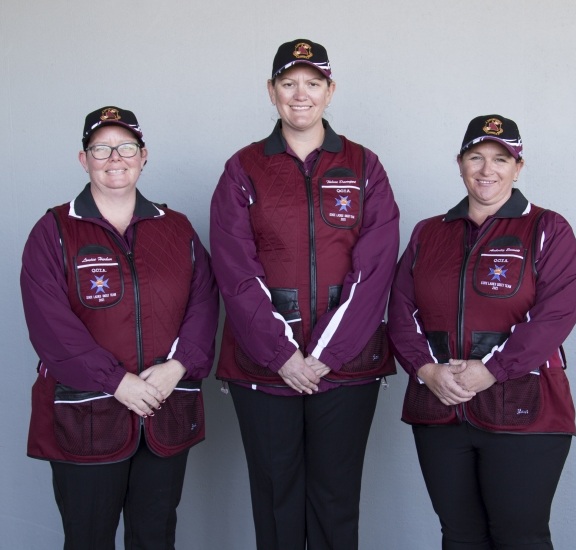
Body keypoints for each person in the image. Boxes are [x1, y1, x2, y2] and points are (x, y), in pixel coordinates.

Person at [210, 39, 400, 550]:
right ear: (271, 92)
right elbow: (236, 270)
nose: (301, 94)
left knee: (336, 501)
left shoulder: (363, 166)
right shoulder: (244, 168)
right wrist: (282, 355)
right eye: (289, 83)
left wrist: (324, 357)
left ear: (330, 90)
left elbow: (375, 270)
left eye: (313, 83)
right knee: (276, 500)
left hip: (346, 367)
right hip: (264, 368)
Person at [21, 106, 219, 550]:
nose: (115, 158)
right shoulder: (52, 231)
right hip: (86, 416)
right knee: (88, 539)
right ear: (83, 158)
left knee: (155, 537)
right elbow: (51, 327)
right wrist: (116, 382)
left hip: (164, 411)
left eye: (126, 147)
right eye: (102, 148)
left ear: (143, 156)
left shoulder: (178, 228)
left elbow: (204, 303)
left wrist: (177, 367)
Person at [387, 114, 576, 550]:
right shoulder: (428, 233)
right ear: (459, 163)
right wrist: (426, 370)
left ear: (519, 166)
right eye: (475, 157)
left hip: (524, 410)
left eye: (501, 158)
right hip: (439, 408)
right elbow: (401, 313)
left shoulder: (548, 229)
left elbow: (556, 315)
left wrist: (493, 369)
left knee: (519, 538)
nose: (486, 169)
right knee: (460, 537)